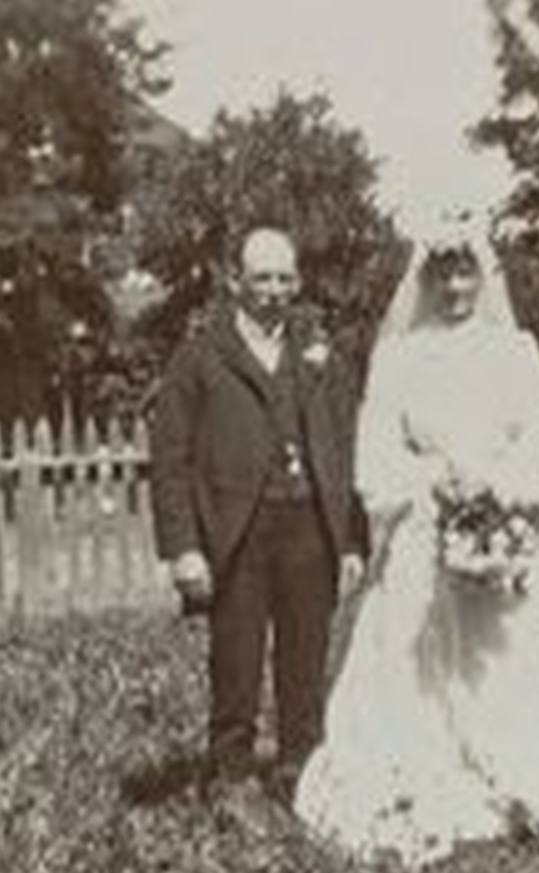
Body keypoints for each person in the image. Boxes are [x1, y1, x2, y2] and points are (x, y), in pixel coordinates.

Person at [294, 212, 539, 865]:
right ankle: (418, 770)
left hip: (498, 529)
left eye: (465, 271)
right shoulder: (396, 358)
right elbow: (375, 461)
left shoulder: (516, 352)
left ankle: (516, 766)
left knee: (501, 655)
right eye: (442, 273)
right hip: (423, 530)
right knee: (411, 654)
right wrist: (433, 479)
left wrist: (493, 486)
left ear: (482, 276)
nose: (454, 286)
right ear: (424, 278)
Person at [150, 226, 366, 801]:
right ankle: (231, 784)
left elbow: (348, 452)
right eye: (261, 277)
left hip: (309, 532)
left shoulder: (319, 357)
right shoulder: (200, 358)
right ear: (236, 281)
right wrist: (183, 548)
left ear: (297, 282)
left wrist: (350, 542)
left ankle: (304, 784)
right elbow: (169, 458)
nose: (273, 289)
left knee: (304, 666)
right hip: (235, 534)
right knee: (236, 664)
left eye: (283, 277)